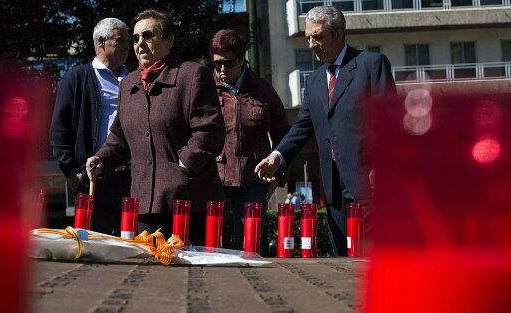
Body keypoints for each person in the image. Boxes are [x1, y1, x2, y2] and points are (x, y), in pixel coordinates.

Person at [255, 6, 396, 256]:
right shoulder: (315, 79)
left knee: (374, 258)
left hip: (369, 183)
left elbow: (389, 121)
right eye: (308, 37)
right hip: (332, 188)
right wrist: (276, 156)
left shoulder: (371, 64)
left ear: (339, 34)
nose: (311, 44)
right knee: (341, 259)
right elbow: (303, 126)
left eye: (317, 36)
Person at [85, 9, 225, 246]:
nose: (140, 44)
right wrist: (102, 159)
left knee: (196, 276)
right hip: (143, 203)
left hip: (188, 202)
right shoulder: (128, 83)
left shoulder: (192, 75)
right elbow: (120, 136)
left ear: (169, 39)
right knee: (148, 277)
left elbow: (210, 130)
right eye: (136, 38)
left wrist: (183, 166)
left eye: (148, 35)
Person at [50, 18, 131, 235]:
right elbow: (59, 128)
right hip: (93, 177)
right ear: (102, 41)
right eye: (122, 40)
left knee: (131, 244)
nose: (128, 46)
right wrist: (70, 172)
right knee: (93, 245)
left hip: (131, 176)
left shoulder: (134, 79)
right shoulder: (76, 78)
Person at [209, 29, 290, 250]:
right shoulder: (204, 89)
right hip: (215, 182)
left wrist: (278, 172)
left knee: (250, 248)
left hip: (254, 181)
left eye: (229, 62)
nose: (223, 69)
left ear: (242, 59)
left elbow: (283, 132)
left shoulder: (263, 89)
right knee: (212, 248)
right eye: (217, 64)